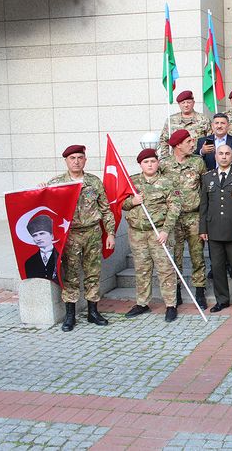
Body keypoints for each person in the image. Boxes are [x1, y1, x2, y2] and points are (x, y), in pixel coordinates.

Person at [46, 145, 115, 332]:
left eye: (79, 157)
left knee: (93, 273)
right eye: (72, 158)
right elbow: (45, 206)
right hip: (70, 235)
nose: (76, 161)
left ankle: (93, 312)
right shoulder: (57, 183)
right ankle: (70, 315)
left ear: (85, 160)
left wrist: (110, 233)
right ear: (66, 161)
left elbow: (106, 209)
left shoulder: (94, 181)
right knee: (71, 274)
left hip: (92, 232)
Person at [122, 148, 181, 322]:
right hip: (138, 234)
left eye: (153, 161)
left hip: (159, 233)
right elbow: (121, 204)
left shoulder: (167, 182)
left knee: (165, 270)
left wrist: (166, 230)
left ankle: (170, 305)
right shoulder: (131, 182)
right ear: (140, 164)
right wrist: (132, 201)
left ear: (157, 163)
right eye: (146, 162)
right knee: (142, 269)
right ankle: (142, 303)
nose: (150, 164)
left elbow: (175, 207)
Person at [199, 145, 232, 313]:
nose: (224, 156)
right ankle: (222, 300)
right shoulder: (207, 178)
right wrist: (203, 229)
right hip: (213, 230)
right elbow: (204, 206)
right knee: (218, 268)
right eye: (220, 153)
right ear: (215, 156)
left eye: (227, 154)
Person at [160, 129, 208, 309]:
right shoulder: (164, 165)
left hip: (194, 216)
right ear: (178, 145)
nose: (192, 144)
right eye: (188, 141)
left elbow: (205, 190)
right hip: (173, 220)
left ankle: (200, 291)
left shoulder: (198, 162)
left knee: (197, 256)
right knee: (175, 257)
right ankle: (177, 292)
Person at [158, 90, 211, 159]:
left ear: (193, 103)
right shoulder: (171, 120)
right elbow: (164, 140)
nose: (186, 105)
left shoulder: (204, 119)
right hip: (176, 161)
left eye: (189, 102)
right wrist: (165, 158)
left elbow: (210, 139)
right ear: (179, 104)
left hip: (198, 159)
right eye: (183, 103)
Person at [24, 215, 58, 282]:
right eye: (34, 235)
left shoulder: (61, 257)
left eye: (42, 233)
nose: (38, 238)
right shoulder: (29, 262)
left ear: (52, 236)